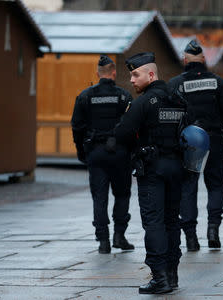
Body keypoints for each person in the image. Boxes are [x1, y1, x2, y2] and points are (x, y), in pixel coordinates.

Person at [115, 52, 185, 294]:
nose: (132, 80)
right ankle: (173, 275)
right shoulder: (177, 99)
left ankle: (159, 278)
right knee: (172, 221)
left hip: (152, 169)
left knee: (154, 222)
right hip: (177, 167)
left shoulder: (143, 103)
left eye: (135, 74)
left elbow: (122, 134)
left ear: (151, 74)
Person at [167, 40, 223, 252]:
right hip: (214, 139)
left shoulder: (175, 84)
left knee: (188, 188)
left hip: (188, 143)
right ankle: (213, 229)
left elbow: (171, 117)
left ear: (184, 61)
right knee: (216, 184)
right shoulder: (216, 82)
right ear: (204, 60)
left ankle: (190, 237)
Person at [71, 55, 134, 254]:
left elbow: (77, 127)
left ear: (98, 74)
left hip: (96, 153)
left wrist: (82, 152)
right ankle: (119, 236)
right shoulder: (124, 96)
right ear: (114, 73)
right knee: (122, 194)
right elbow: (132, 126)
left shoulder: (85, 96)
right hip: (120, 153)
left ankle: (103, 241)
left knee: (99, 197)